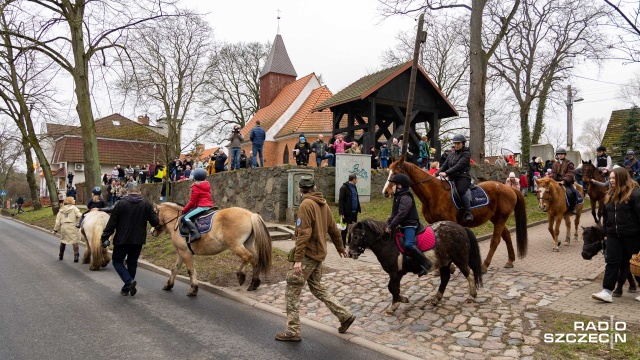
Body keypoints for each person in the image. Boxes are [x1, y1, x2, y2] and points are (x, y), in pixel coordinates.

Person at [275, 177, 355, 342]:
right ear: (314, 187)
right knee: (317, 287)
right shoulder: (323, 204)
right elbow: (334, 229)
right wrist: (340, 248)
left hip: (308, 255)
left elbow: (304, 233)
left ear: (300, 190)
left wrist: (298, 259)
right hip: (319, 254)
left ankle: (292, 330)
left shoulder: (306, 205)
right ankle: (344, 315)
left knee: (292, 290)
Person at [591, 167, 640, 303]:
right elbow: (606, 216)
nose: (611, 181)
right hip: (614, 236)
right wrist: (606, 232)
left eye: (614, 178)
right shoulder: (609, 195)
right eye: (610, 178)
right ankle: (607, 291)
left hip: (633, 236)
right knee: (611, 262)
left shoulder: (635, 194)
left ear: (622, 178)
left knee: (637, 263)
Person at [99, 185, 159, 296]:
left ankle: (128, 282)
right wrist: (155, 213)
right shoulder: (146, 205)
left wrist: (104, 237)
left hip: (122, 239)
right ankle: (127, 288)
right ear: (139, 192)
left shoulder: (120, 204)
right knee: (132, 262)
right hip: (138, 240)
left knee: (117, 261)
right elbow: (155, 223)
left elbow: (112, 223)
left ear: (127, 193)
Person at [384, 173, 432, 276]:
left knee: (408, 244)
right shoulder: (397, 197)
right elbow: (394, 214)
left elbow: (401, 214)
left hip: (410, 224)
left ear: (400, 186)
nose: (392, 187)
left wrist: (392, 226)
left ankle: (426, 263)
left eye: (394, 185)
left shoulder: (406, 197)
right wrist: (387, 224)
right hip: (403, 225)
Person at [437, 134, 474, 222]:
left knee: (460, 190)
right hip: (452, 178)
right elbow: (445, 165)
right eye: (455, 143)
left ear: (463, 144)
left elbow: (458, 166)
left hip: (463, 178)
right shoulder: (451, 154)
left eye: (458, 143)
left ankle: (468, 212)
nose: (456, 145)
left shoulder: (466, 154)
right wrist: (436, 173)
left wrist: (446, 173)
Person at [181, 168, 214, 243]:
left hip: (202, 207)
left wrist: (184, 210)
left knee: (185, 218)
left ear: (195, 177)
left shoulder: (196, 187)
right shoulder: (207, 184)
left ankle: (195, 234)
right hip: (209, 206)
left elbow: (192, 202)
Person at [550, 148, 580, 214]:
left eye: (561, 154)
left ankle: (573, 207)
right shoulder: (555, 164)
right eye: (558, 154)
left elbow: (570, 173)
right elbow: (552, 173)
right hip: (556, 182)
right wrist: (551, 180)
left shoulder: (569, 164)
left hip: (567, 182)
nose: (560, 156)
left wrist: (564, 181)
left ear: (564, 155)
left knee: (573, 192)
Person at [53, 196, 83, 262]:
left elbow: (58, 221)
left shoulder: (61, 210)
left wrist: (55, 230)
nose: (74, 200)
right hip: (72, 226)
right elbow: (80, 215)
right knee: (74, 241)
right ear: (71, 201)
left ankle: (61, 255)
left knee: (63, 241)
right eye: (73, 199)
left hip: (64, 227)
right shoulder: (74, 208)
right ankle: (76, 255)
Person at [338, 174, 361, 248]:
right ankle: (342, 244)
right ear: (353, 179)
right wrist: (341, 212)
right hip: (346, 212)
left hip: (354, 212)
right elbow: (341, 200)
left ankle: (350, 243)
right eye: (356, 179)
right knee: (344, 229)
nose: (357, 180)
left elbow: (355, 198)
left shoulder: (354, 187)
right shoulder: (344, 188)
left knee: (353, 228)